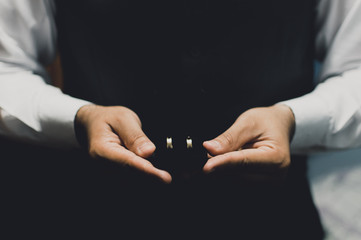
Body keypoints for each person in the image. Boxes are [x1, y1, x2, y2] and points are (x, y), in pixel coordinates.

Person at [0, 0, 361, 239]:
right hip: (96, 216)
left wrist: (293, 120)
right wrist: (79, 119)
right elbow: (6, 69)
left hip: (274, 218)